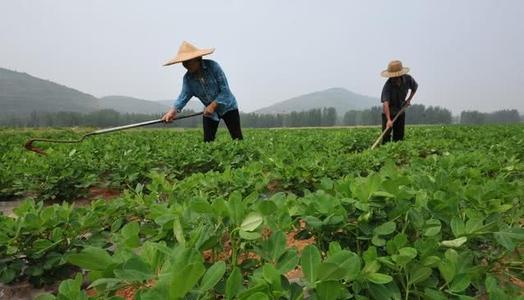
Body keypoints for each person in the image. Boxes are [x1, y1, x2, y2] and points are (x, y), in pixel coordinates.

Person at [161, 41, 243, 142]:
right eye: (183, 62)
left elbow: (225, 91)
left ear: (198, 59)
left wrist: (213, 106)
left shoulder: (213, 67)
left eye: (187, 61)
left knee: (237, 139)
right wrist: (172, 111)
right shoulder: (188, 79)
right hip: (209, 113)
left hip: (228, 106)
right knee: (207, 143)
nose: (185, 65)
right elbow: (183, 96)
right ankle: (210, 158)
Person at [380, 60, 418, 144]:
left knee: (399, 137)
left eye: (396, 77)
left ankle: (397, 152)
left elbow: (415, 87)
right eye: (392, 77)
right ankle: (386, 150)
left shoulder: (408, 79)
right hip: (388, 112)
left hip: (400, 110)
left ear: (400, 75)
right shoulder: (387, 86)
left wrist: (409, 99)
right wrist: (389, 120)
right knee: (386, 136)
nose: (394, 79)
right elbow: (385, 104)